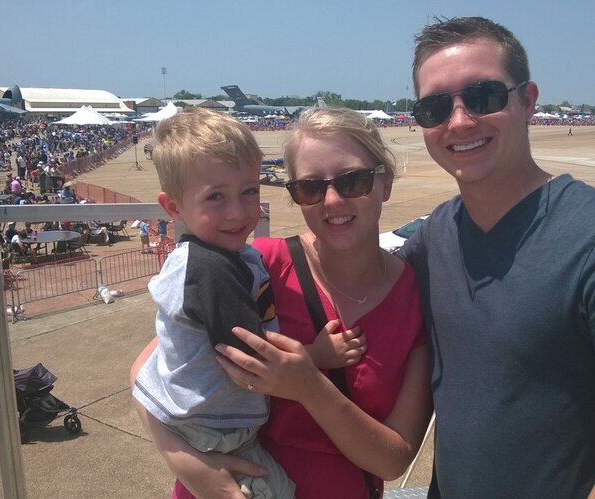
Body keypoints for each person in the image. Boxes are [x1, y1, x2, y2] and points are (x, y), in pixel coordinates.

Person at [402, 16, 595, 497]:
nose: (458, 121)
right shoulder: (435, 235)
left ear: (528, 101)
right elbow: (351, 273)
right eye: (435, 107)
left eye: (484, 97)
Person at [131, 107, 432, 499]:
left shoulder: (416, 296)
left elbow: (394, 461)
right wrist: (185, 462)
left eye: (353, 180)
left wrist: (310, 386)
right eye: (310, 187)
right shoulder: (260, 264)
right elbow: (147, 372)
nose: (332, 200)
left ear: (385, 183)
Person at [131, 108, 296, 499]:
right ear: (173, 208)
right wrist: (321, 354)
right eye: (216, 197)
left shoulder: (220, 256)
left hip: (202, 421)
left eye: (249, 191)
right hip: (216, 431)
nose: (238, 212)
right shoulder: (210, 269)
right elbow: (249, 359)